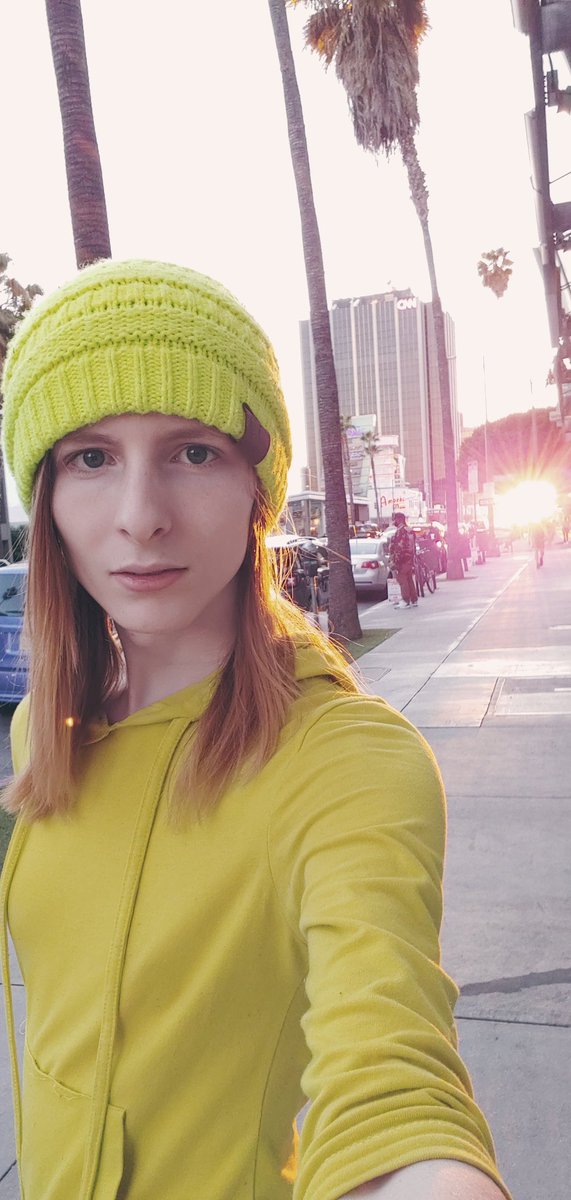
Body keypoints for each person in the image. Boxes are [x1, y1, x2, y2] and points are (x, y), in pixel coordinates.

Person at [0, 260, 510, 1200]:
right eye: (91, 458)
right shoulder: (48, 729)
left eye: (194, 453)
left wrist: (426, 1172)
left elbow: (388, 1065)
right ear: (48, 500)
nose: (140, 518)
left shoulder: (345, 760)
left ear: (257, 488)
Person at [388, 511, 418, 608]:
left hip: (402, 559)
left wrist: (396, 561)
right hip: (409, 558)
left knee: (402, 579)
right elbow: (413, 546)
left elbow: (399, 547)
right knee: (409, 579)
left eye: (395, 519)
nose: (394, 522)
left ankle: (406, 601)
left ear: (399, 519)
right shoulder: (409, 530)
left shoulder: (401, 531)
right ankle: (414, 599)